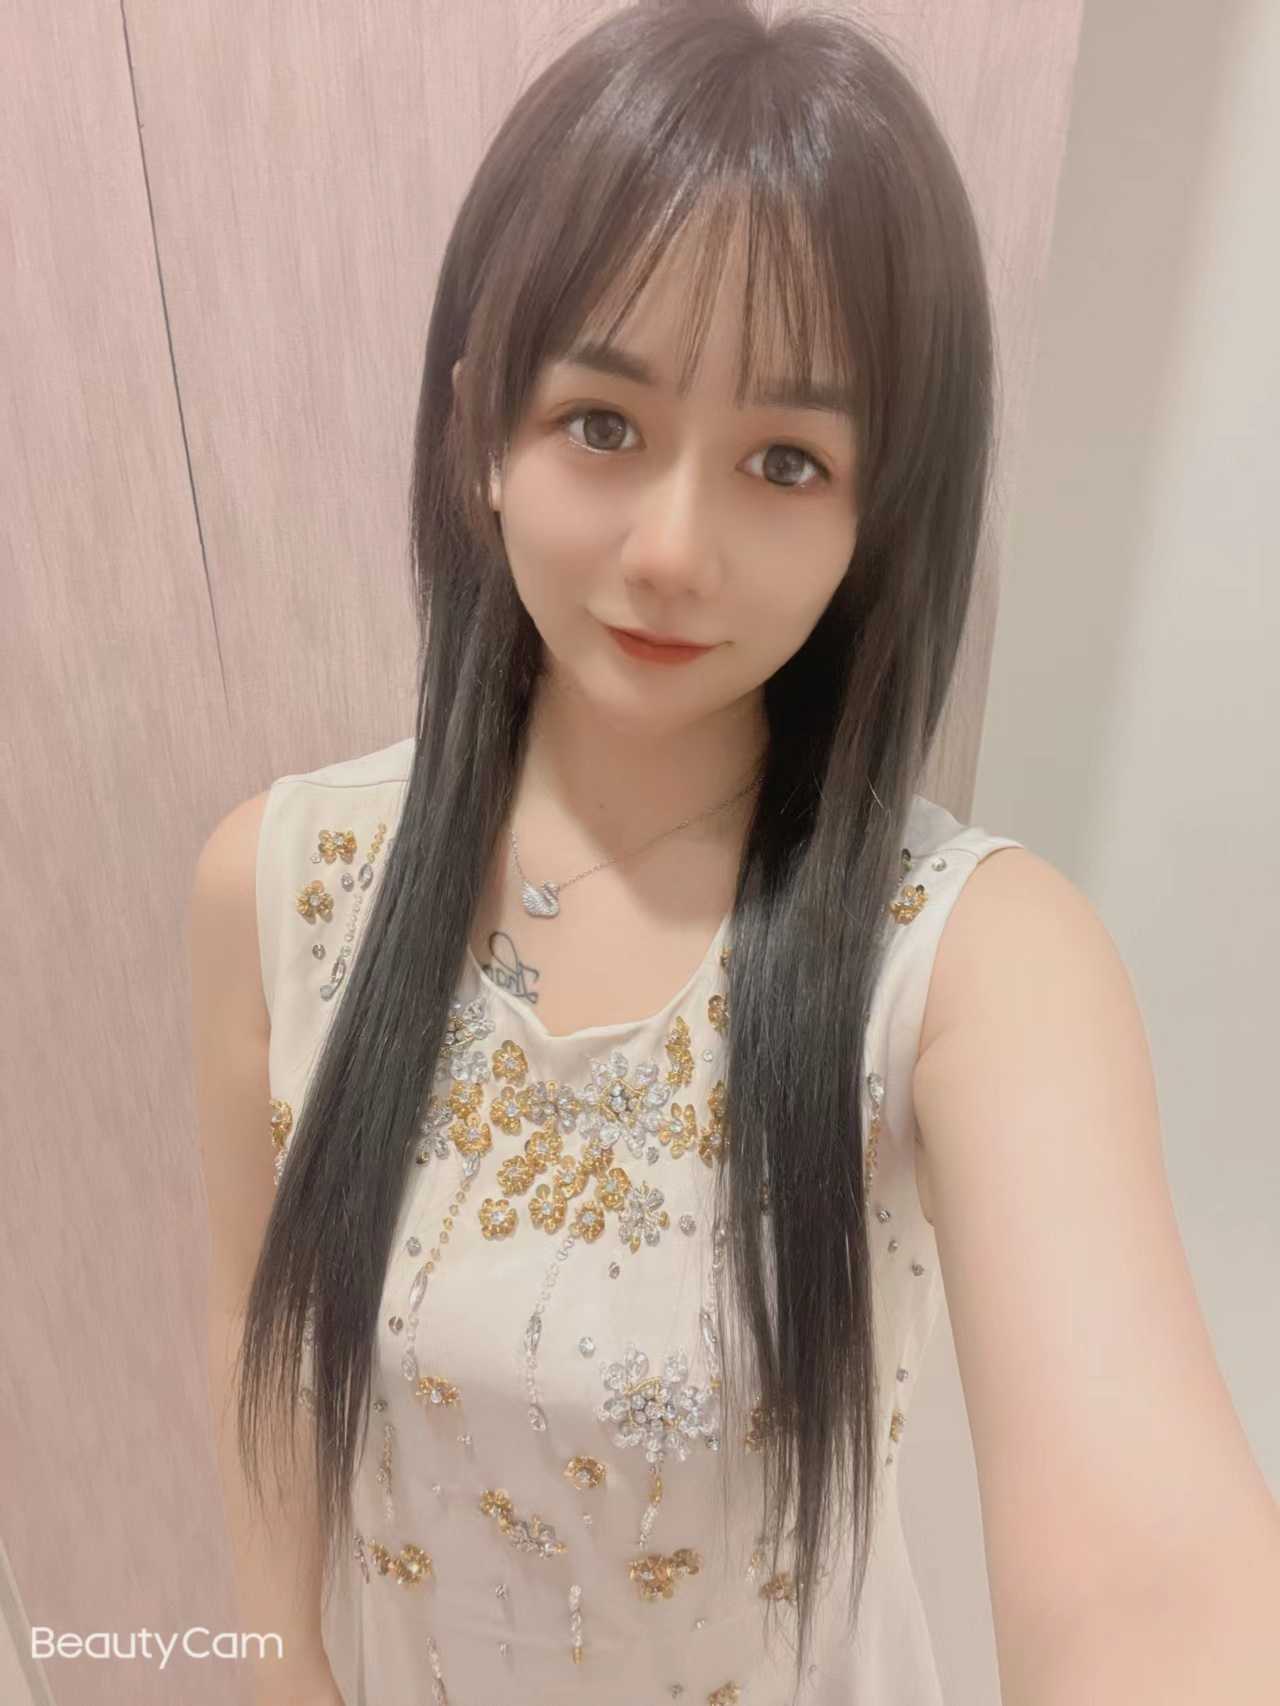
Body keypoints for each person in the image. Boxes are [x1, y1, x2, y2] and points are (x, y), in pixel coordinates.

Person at [189, 3, 1280, 1703]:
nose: (674, 549)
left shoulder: (972, 960)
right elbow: (258, 1348)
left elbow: (1154, 1584)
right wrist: (280, 1672)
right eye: (602, 422)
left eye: (786, 459)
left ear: (873, 516)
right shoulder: (283, 882)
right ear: (481, 431)